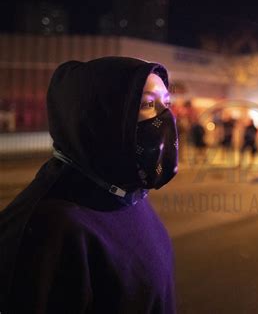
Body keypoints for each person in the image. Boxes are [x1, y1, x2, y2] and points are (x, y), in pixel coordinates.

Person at [0, 57, 178, 313]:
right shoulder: (52, 226)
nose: (166, 118)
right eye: (148, 104)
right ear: (99, 115)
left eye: (167, 103)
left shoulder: (125, 192)